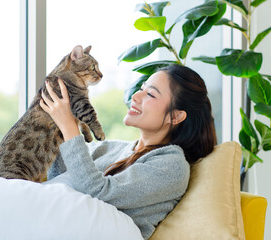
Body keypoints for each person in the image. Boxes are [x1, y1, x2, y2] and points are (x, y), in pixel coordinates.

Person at [39, 64, 217, 239]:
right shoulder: (110, 148)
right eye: (141, 88)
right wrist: (58, 126)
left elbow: (99, 193)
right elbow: (59, 179)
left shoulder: (172, 165)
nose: (136, 96)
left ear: (176, 116)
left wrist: (69, 127)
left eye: (151, 94)